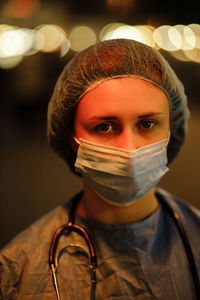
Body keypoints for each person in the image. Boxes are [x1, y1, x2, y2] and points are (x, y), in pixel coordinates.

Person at [0, 38, 200, 300]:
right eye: (104, 127)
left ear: (171, 129)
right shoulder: (17, 271)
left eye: (148, 124)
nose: (129, 149)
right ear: (71, 137)